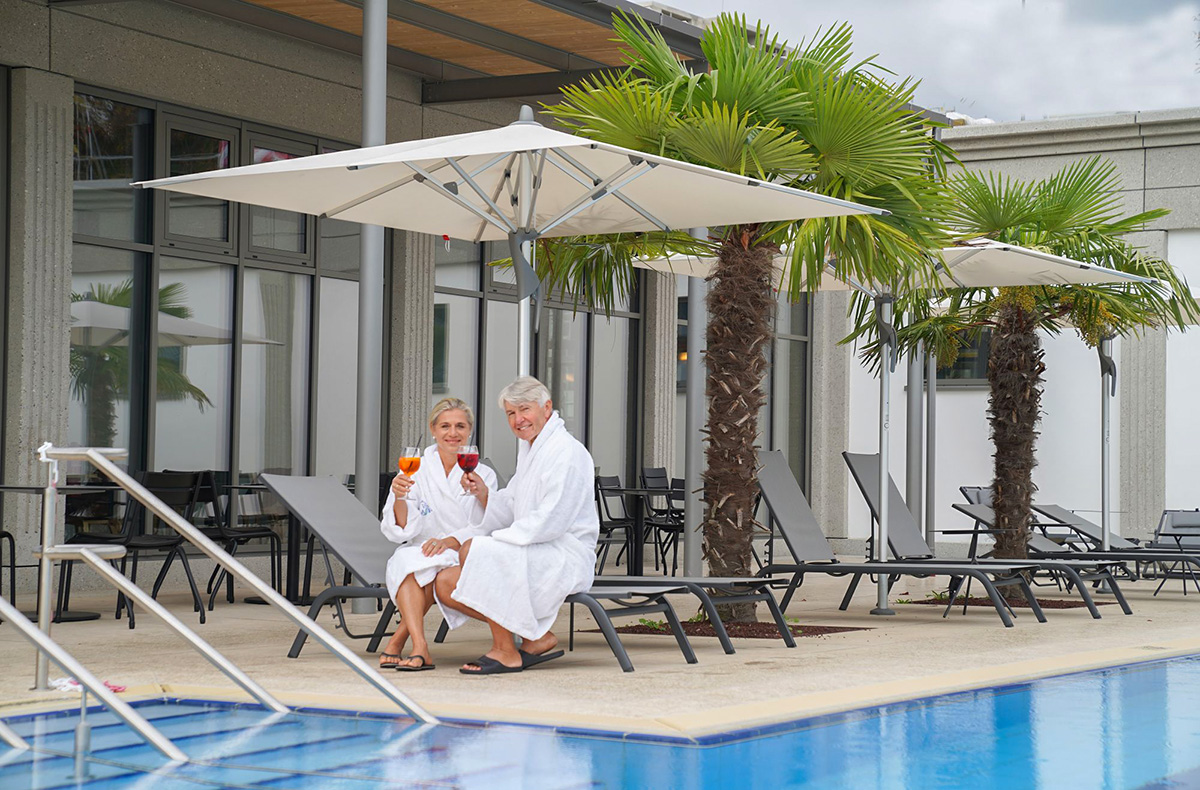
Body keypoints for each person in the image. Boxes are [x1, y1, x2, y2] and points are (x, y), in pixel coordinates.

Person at [433, 376, 599, 675]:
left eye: (524, 409)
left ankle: (505, 651)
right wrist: (484, 494)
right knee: (446, 583)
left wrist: (498, 541)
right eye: (511, 413)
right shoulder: (531, 449)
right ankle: (535, 637)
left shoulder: (567, 452)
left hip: (564, 552)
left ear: (546, 408)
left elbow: (553, 519)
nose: (518, 419)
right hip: (534, 547)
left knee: (475, 550)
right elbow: (512, 503)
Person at [377, 397, 497, 671]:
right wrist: (399, 497)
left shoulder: (484, 474)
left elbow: (487, 523)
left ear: (469, 430)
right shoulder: (415, 468)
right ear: (433, 429)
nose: (453, 433)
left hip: (460, 551)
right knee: (408, 562)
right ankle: (420, 645)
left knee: (427, 571)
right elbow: (402, 529)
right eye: (445, 426)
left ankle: (399, 641)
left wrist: (448, 542)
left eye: (460, 426)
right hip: (422, 547)